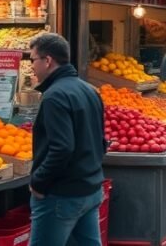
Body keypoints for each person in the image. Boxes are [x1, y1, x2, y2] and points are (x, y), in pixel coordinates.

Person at [27, 33, 108, 245]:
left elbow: (62, 148)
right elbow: (102, 141)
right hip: (90, 189)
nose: (31, 67)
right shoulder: (90, 90)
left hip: (61, 195)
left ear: (47, 60)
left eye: (32, 59)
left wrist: (39, 182)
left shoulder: (54, 96)